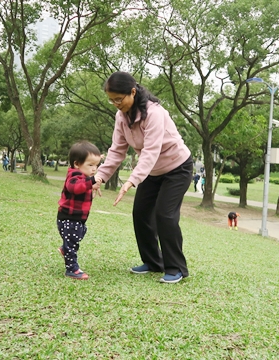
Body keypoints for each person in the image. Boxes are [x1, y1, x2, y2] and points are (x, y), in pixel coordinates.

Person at [94, 71, 193, 284]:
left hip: (177, 168)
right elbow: (117, 150)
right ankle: (153, 262)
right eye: (111, 100)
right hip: (152, 171)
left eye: (118, 99)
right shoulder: (121, 117)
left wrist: (131, 180)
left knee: (165, 215)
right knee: (140, 213)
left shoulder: (154, 113)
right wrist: (100, 176)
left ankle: (176, 268)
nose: (115, 104)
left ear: (132, 92)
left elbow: (151, 151)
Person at [57, 141, 102, 280]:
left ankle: (66, 247)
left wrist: (92, 186)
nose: (94, 169)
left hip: (78, 218)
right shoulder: (74, 176)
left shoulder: (83, 178)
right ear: (77, 164)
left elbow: (83, 187)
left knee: (79, 235)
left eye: (96, 165)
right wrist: (92, 181)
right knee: (72, 241)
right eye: (90, 165)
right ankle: (72, 269)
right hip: (68, 217)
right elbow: (75, 188)